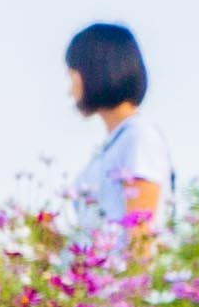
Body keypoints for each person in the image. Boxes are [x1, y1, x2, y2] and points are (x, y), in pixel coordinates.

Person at [71, 24, 169, 253]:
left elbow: (141, 236)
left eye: (72, 76)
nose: (70, 90)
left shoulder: (138, 137)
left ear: (92, 72)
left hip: (123, 283)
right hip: (99, 281)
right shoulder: (113, 145)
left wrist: (132, 287)